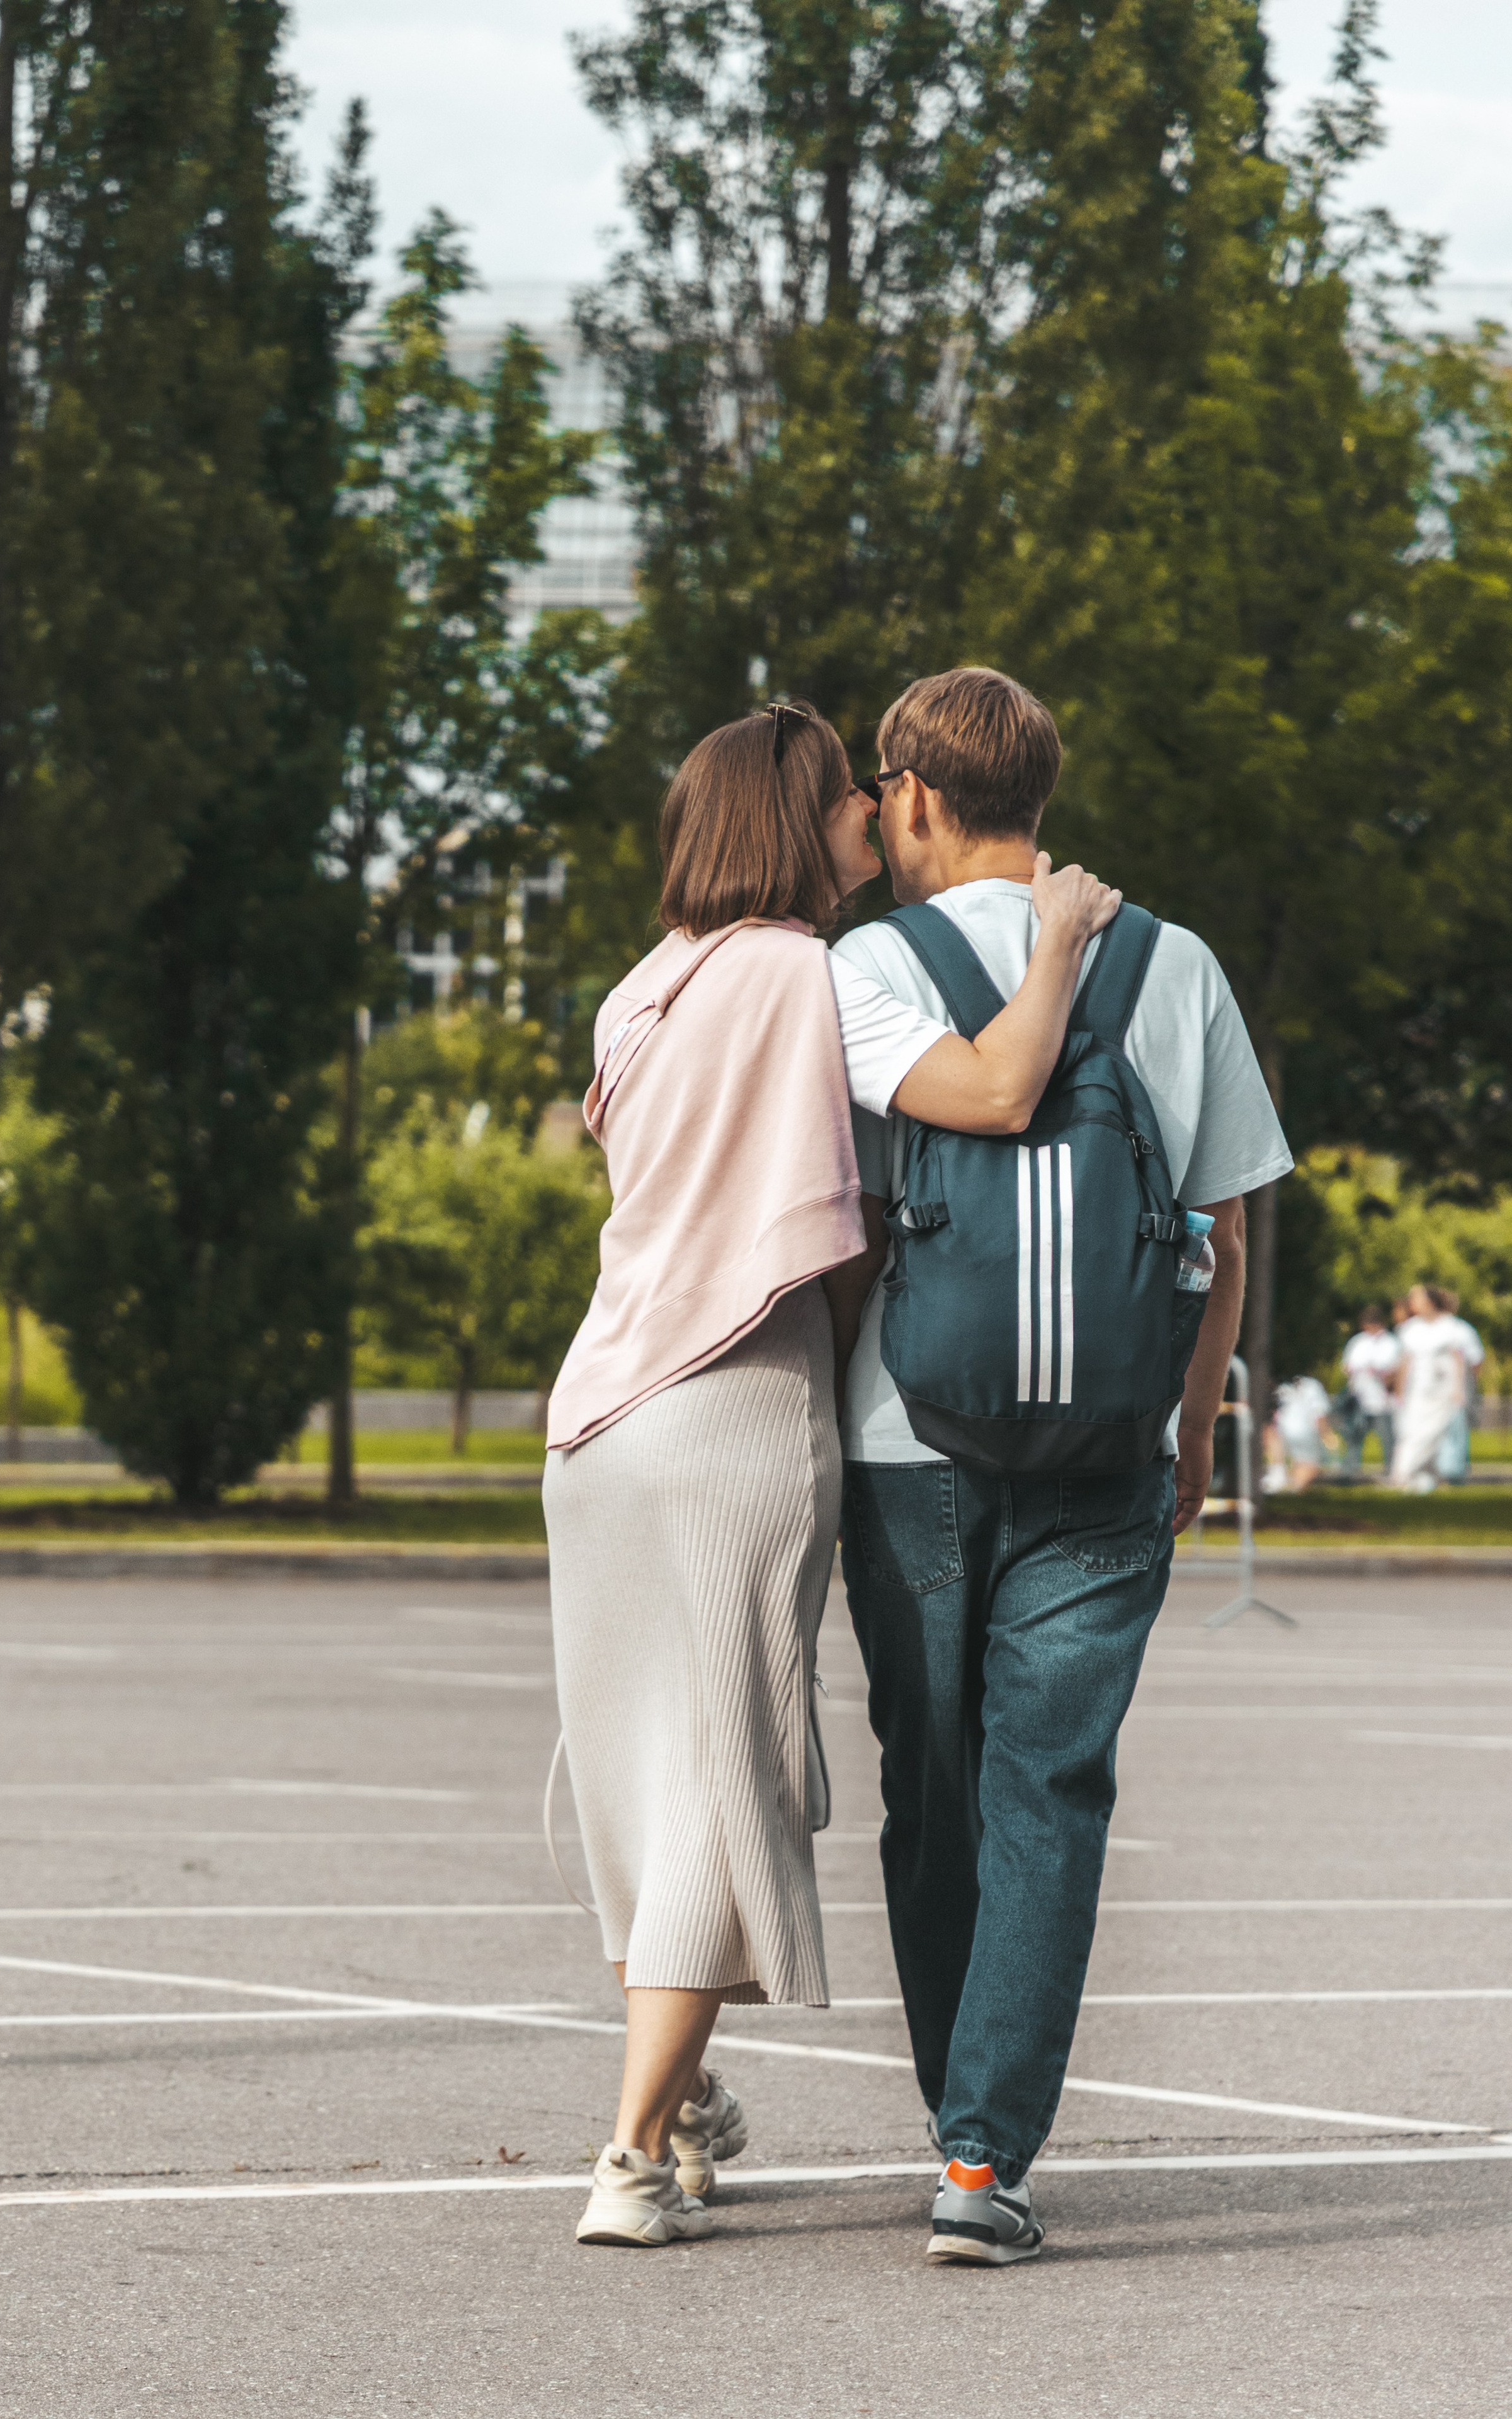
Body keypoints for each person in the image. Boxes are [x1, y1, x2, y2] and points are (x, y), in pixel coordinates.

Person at [543, 697, 1120, 2250]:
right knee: (728, 1775)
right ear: (800, 822)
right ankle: (627, 2154)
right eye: (849, 800)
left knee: (649, 1778)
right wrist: (1056, 937)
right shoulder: (807, 973)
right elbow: (993, 1093)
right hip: (732, 1412)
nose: (876, 811)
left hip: (595, 1423)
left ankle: (684, 2101)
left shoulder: (640, 987)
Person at [823, 664, 1293, 2267]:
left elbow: (847, 1224)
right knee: (1049, 1788)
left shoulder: (868, 966)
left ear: (911, 796)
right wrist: (1187, 1425)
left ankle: (951, 2103)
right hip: (1109, 1445)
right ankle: (981, 2158)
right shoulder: (1173, 960)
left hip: (907, 1440)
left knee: (929, 1787)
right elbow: (1222, 1229)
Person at [1392, 1283, 1470, 1492]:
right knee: (1412, 1432)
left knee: (1434, 1435)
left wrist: (1458, 1389)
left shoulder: (1451, 1327)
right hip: (1418, 1392)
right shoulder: (1411, 1329)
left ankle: (1420, 1475)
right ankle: (1407, 1474)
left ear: (1430, 1302)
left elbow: (1458, 1359)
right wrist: (1399, 1390)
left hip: (1443, 1392)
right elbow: (1405, 1363)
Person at [1337, 1307, 1400, 1474]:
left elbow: (1395, 1370)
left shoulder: (1391, 1343)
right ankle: (1349, 1471)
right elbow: (1347, 1367)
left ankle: (1392, 1471)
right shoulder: (1358, 1342)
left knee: (1388, 1438)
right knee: (1354, 1437)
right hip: (1360, 1398)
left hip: (1383, 1400)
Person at [1433, 1289, 1484, 1485]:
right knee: (1455, 1430)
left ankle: (1451, 1471)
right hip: (1450, 1387)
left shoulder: (1454, 1330)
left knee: (1450, 1428)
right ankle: (1452, 1469)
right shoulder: (1463, 1329)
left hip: (1451, 1387)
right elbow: (1477, 1360)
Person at [1264, 1374, 1334, 1492]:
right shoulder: (1313, 1385)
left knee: (1291, 1461)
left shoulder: (1283, 1384)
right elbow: (1319, 1414)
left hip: (1281, 1428)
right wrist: (1326, 1434)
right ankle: (1295, 1490)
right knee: (1307, 1463)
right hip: (1305, 1430)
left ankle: (1278, 1478)